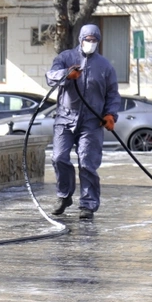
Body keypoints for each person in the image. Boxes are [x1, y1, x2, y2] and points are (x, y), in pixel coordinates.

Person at [45, 24, 120, 221]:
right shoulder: (66, 58)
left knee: (87, 162)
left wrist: (111, 114)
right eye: (88, 39)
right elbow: (50, 76)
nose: (91, 43)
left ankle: (88, 204)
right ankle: (64, 195)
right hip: (65, 117)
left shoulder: (105, 67)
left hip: (92, 121)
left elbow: (112, 94)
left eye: (94, 40)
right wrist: (66, 74)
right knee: (58, 157)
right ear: (80, 39)